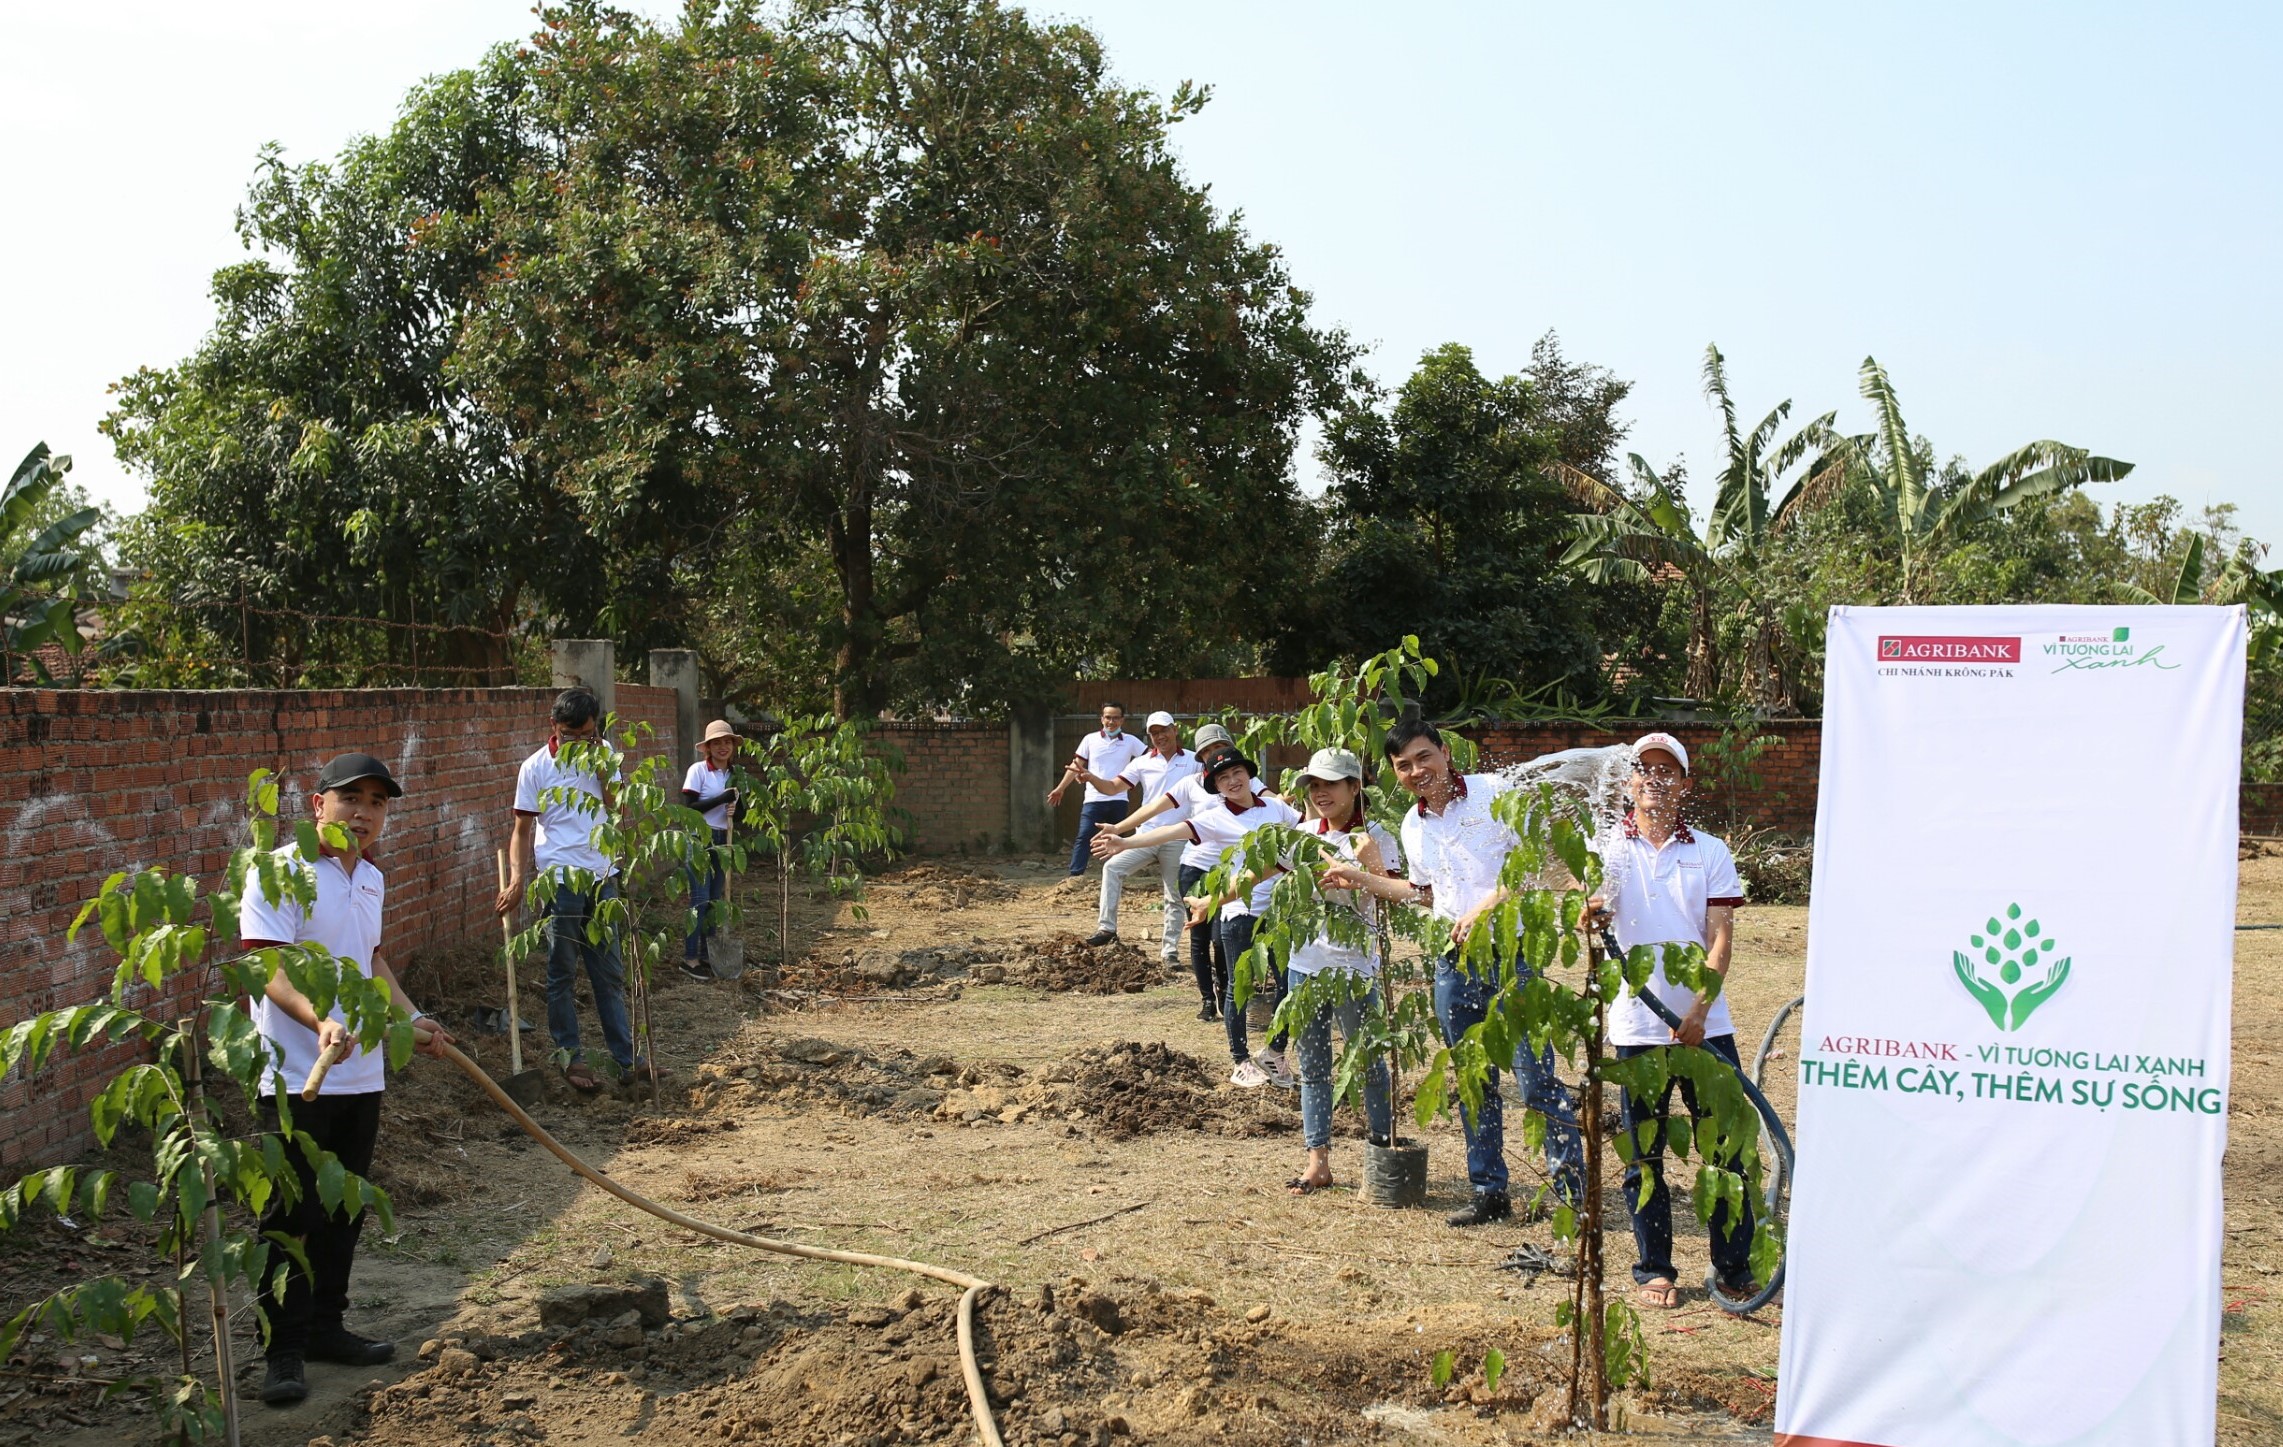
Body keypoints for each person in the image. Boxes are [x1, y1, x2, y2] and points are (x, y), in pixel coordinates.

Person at [238, 752, 454, 1407]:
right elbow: (265, 965)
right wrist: (319, 1018)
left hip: (361, 1075)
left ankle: (327, 1327)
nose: (362, 812)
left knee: (344, 1206)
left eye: (377, 802)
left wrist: (413, 1017)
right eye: (349, 798)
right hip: (294, 1074)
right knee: (291, 1213)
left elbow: (372, 961)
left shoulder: (372, 879)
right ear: (318, 805)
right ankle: (281, 1349)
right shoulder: (279, 869)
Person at [1324, 718, 1585, 1227]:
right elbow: (1424, 894)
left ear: (1444, 753)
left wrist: (1488, 906)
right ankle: (1489, 1189)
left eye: (1424, 758)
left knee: (1536, 1079)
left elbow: (1536, 861)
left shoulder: (1495, 792)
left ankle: (1571, 1191)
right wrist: (1361, 878)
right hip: (1453, 961)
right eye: (1404, 766)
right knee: (1472, 1078)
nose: (1416, 771)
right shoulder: (1413, 826)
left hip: (1512, 952)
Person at [1591, 731, 1756, 1311]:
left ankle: (1733, 1268)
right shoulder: (1606, 847)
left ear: (1684, 785)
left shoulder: (1708, 851)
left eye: (1668, 771)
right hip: (1636, 1026)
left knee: (1728, 1151)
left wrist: (1698, 1010)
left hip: (1704, 1025)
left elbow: (1720, 935)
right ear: (1629, 781)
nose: (1655, 779)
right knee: (1645, 1154)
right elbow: (1592, 915)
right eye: (1644, 770)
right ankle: (1655, 1269)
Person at [1104, 751, 1301, 1086]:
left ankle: (1274, 1053)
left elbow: (1307, 830)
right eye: (1223, 778)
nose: (1233, 781)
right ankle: (1240, 1060)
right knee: (1239, 987)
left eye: (1237, 773)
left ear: (1249, 775)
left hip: (1279, 910)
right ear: (1216, 786)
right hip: (1239, 912)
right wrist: (1125, 840)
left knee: (1288, 984)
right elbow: (1171, 831)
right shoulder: (1216, 816)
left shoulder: (1276, 808)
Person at [496, 687, 635, 1092]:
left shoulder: (604, 753)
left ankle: (627, 1060)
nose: (580, 742)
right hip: (560, 880)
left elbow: (617, 807)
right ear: (554, 726)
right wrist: (518, 880)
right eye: (571, 735)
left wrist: (601, 763)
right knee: (562, 970)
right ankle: (570, 1058)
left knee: (609, 971)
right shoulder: (535, 767)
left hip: (602, 874)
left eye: (588, 734)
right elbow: (521, 831)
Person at [1277, 749, 1399, 1195]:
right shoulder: (1303, 836)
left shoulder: (1377, 835)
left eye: (1330, 784)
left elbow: (1396, 899)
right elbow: (1258, 872)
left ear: (1355, 787)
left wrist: (1369, 865)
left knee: (1368, 1064)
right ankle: (1317, 1162)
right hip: (1305, 968)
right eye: (1314, 785)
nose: (1320, 793)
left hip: (1355, 971)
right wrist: (1210, 901)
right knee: (1312, 1067)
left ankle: (1381, 1154)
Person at [1095, 723, 1257, 1020]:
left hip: (1230, 872)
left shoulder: (1245, 781)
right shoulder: (1191, 783)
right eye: (1207, 751)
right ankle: (1207, 1001)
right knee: (1200, 937)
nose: (1214, 755)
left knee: (1222, 938)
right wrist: (1119, 829)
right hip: (1195, 867)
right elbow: (1156, 810)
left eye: (1219, 748)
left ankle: (1226, 993)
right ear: (1200, 756)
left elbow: (1278, 804)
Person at [1081, 711, 1195, 956]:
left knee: (1173, 894)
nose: (1159, 736)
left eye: (1163, 730)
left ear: (1175, 730)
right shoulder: (1143, 762)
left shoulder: (1195, 761)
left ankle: (1169, 952)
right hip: (1145, 835)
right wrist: (1091, 778)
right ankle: (1107, 928)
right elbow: (1112, 787)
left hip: (1178, 837)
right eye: (1153, 733)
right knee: (1112, 868)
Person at [1049, 702, 1146, 875]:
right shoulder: (1090, 739)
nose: (1111, 722)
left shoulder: (1131, 741)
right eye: (1108, 717)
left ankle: (1119, 873)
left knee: (1118, 838)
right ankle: (1076, 875)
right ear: (1102, 719)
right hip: (1094, 799)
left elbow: (1150, 760)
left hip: (1119, 798)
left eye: (1116, 718)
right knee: (1084, 836)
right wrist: (1060, 788)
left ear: (1122, 720)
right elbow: (1076, 765)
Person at [679, 720, 742, 982]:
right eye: (717, 743)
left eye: (727, 742)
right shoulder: (698, 771)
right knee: (700, 899)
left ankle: (708, 953)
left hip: (722, 839)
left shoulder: (735, 773)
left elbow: (741, 811)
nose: (723, 747)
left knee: (715, 901)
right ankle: (690, 957)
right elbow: (690, 808)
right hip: (699, 838)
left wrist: (734, 808)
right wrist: (721, 799)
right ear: (708, 748)